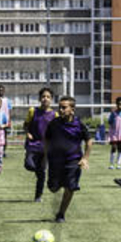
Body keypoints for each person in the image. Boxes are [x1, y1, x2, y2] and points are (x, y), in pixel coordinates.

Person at [42, 95, 92, 223]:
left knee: (70, 187)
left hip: (73, 161)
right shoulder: (54, 123)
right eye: (59, 107)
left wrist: (85, 158)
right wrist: (45, 156)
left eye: (64, 107)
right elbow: (47, 139)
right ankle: (57, 183)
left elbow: (89, 141)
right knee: (53, 188)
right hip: (55, 161)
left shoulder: (79, 124)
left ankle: (61, 214)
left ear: (72, 109)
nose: (61, 110)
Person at [23, 87, 56, 202]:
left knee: (41, 175)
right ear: (39, 98)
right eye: (43, 96)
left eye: (48, 97)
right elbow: (26, 125)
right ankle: (39, 169)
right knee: (29, 165)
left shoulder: (54, 115)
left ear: (51, 99)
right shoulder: (33, 111)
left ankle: (38, 196)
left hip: (45, 148)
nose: (45, 99)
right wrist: (28, 133)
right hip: (32, 145)